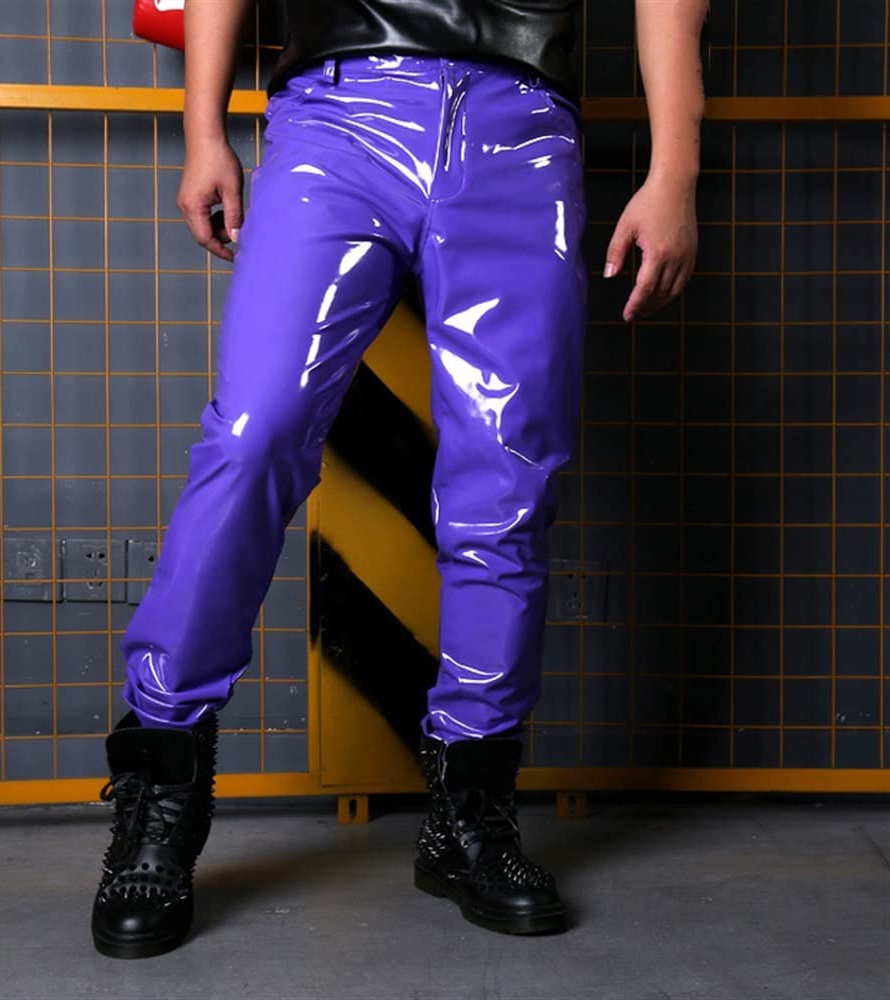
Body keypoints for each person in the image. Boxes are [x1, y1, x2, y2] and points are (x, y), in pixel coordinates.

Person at [91, 0, 707, 958]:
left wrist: (674, 171)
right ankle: (160, 783)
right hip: (339, 115)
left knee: (508, 475)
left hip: (519, 124)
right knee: (254, 436)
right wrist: (203, 129)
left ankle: (470, 808)